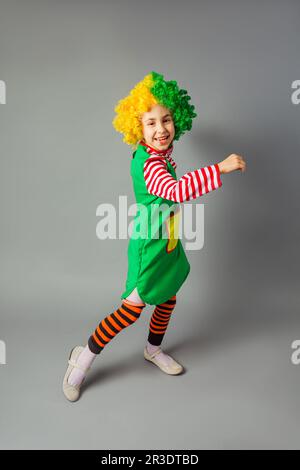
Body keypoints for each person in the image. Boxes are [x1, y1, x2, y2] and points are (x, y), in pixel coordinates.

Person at [62, 71, 246, 402]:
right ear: (138, 128)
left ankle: (152, 349)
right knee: (131, 309)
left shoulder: (160, 155)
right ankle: (83, 356)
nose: (160, 129)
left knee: (167, 296)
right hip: (150, 243)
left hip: (167, 239)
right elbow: (173, 190)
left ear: (177, 120)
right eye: (150, 123)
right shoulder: (149, 164)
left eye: (166, 120)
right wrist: (219, 168)